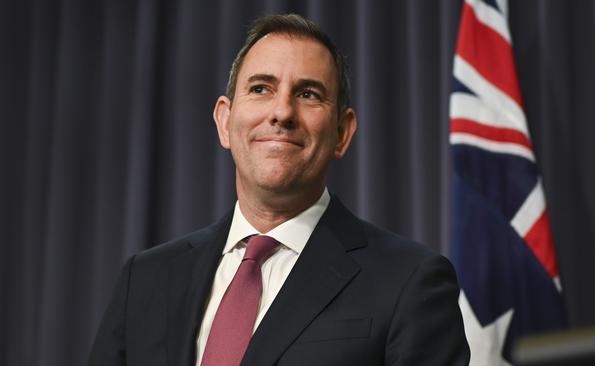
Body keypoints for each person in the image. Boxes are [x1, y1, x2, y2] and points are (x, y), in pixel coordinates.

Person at [88, 13, 469, 366]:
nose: (282, 112)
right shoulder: (147, 277)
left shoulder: (409, 280)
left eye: (308, 94)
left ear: (342, 132)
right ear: (225, 121)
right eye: (260, 88)